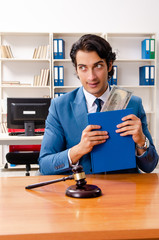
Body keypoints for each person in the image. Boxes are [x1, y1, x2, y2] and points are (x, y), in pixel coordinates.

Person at [38, 34, 158, 175]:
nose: (91, 77)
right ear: (76, 70)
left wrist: (141, 142)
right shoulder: (59, 106)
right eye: (83, 68)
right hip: (83, 190)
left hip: (125, 189)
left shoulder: (133, 103)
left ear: (109, 65)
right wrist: (79, 149)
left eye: (98, 66)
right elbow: (45, 165)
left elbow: (150, 166)